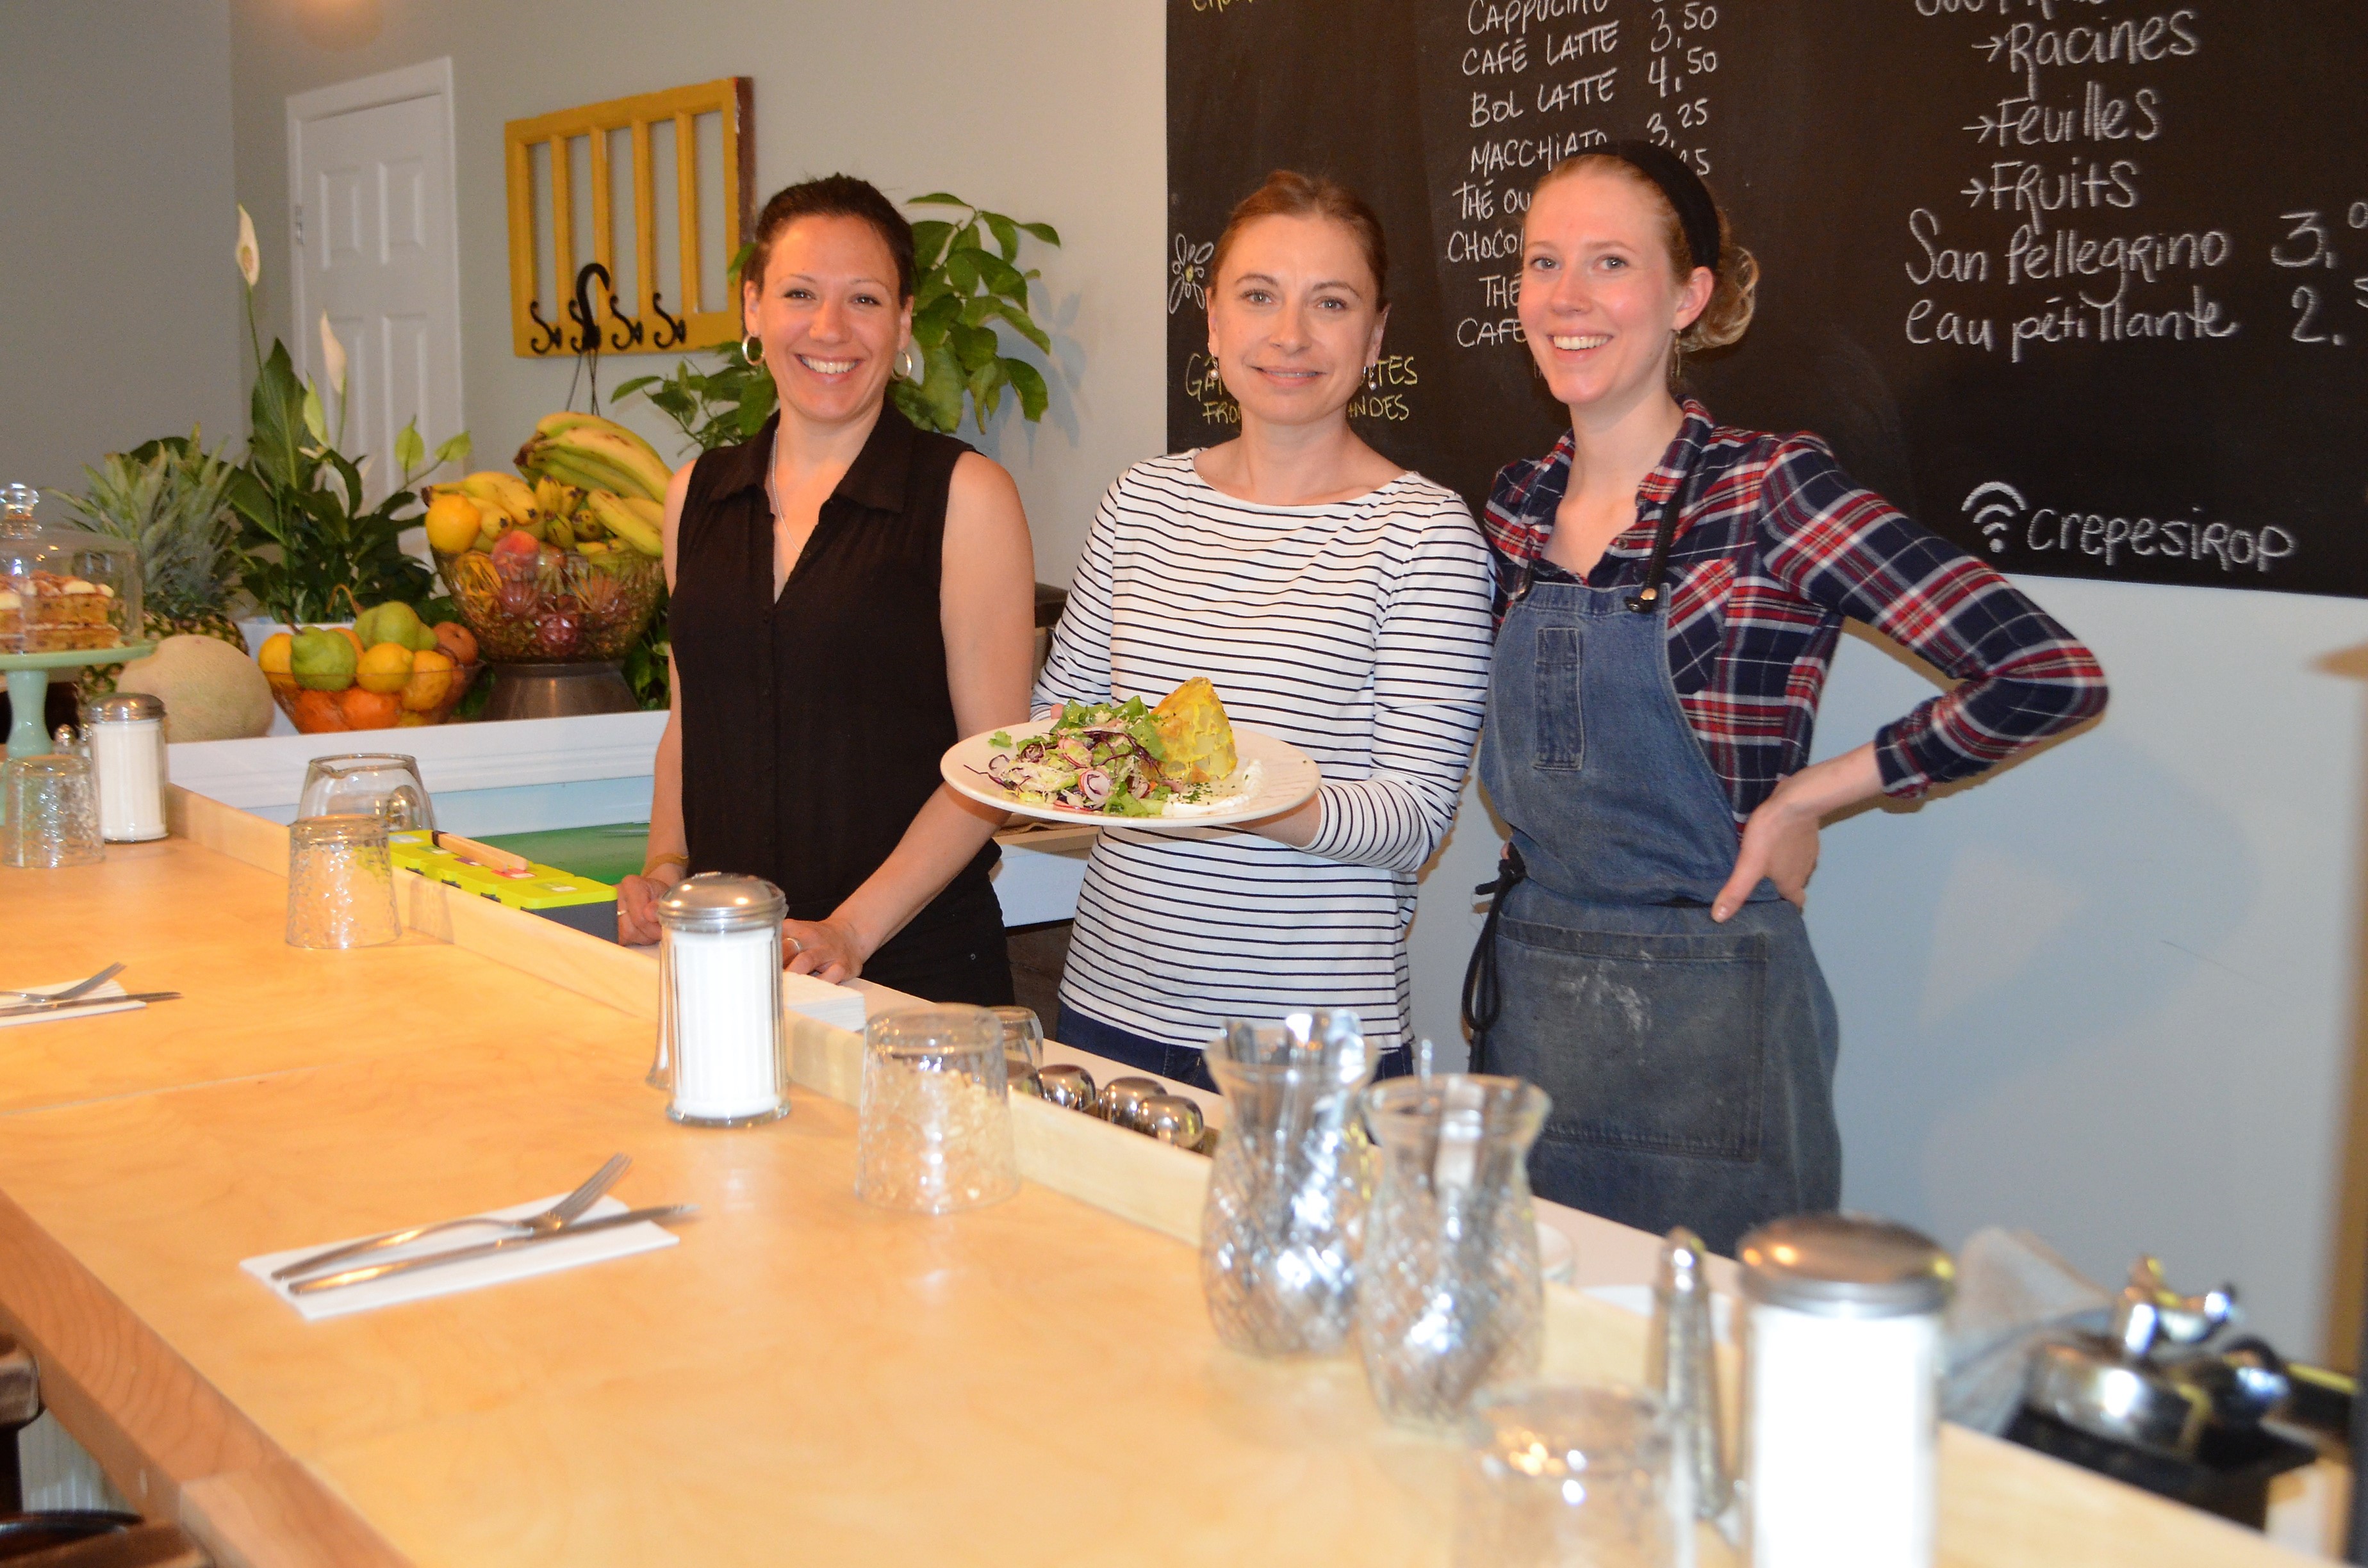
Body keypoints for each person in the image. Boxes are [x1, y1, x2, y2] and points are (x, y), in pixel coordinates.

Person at [1463, 145, 2108, 1253]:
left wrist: (1811, 796)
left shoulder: (1768, 490)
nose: (1566, 297)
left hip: (1719, 1026)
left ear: (1688, 296)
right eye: (1542, 262)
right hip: (1533, 1011)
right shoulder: (1513, 509)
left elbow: (2044, 673)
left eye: (1610, 263)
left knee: (1721, 1351)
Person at [1036, 170, 1496, 1085]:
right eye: (1258, 296)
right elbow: (1064, 727)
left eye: (1331, 303)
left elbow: (1413, 820)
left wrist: (1228, 793)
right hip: (1110, 1007)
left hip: (1310, 1046)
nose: (1290, 335)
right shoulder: (1139, 503)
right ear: (1212, 322)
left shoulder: (1425, 534)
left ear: (1375, 336)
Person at [616, 175, 1036, 1005]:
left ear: (904, 320)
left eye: (865, 299)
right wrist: (666, 866)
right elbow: (690, 722)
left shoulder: (965, 495)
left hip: (914, 977)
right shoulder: (695, 495)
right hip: (729, 961)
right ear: (753, 308)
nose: (830, 328)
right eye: (800, 294)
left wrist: (851, 930)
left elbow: (995, 765)